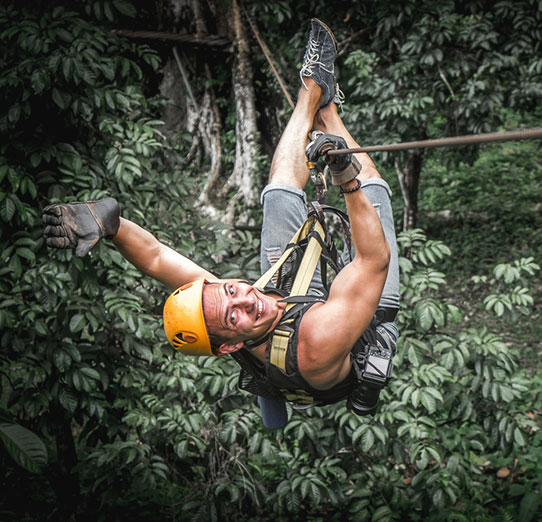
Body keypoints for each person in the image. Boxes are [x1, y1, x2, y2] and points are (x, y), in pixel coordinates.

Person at [42, 19, 400, 430]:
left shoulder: (233, 304)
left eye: (231, 289)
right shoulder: (318, 342)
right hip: (348, 328)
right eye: (235, 317)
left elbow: (158, 259)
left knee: (281, 191)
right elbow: (373, 260)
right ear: (231, 346)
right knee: (371, 193)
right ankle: (329, 112)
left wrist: (111, 224)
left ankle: (312, 90)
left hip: (288, 309)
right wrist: (345, 175)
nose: (246, 298)